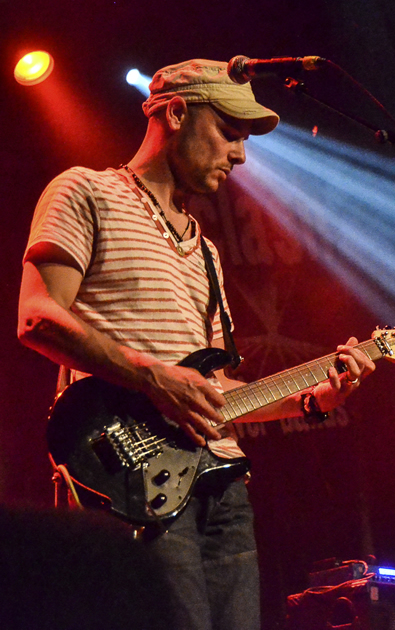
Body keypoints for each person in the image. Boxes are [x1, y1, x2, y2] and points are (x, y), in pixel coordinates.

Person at [17, 59, 376, 630]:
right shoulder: (84, 190)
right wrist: (153, 375)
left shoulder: (205, 250)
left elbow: (216, 392)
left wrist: (312, 397)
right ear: (178, 112)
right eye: (230, 134)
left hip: (223, 484)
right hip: (131, 478)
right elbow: (36, 318)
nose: (240, 155)